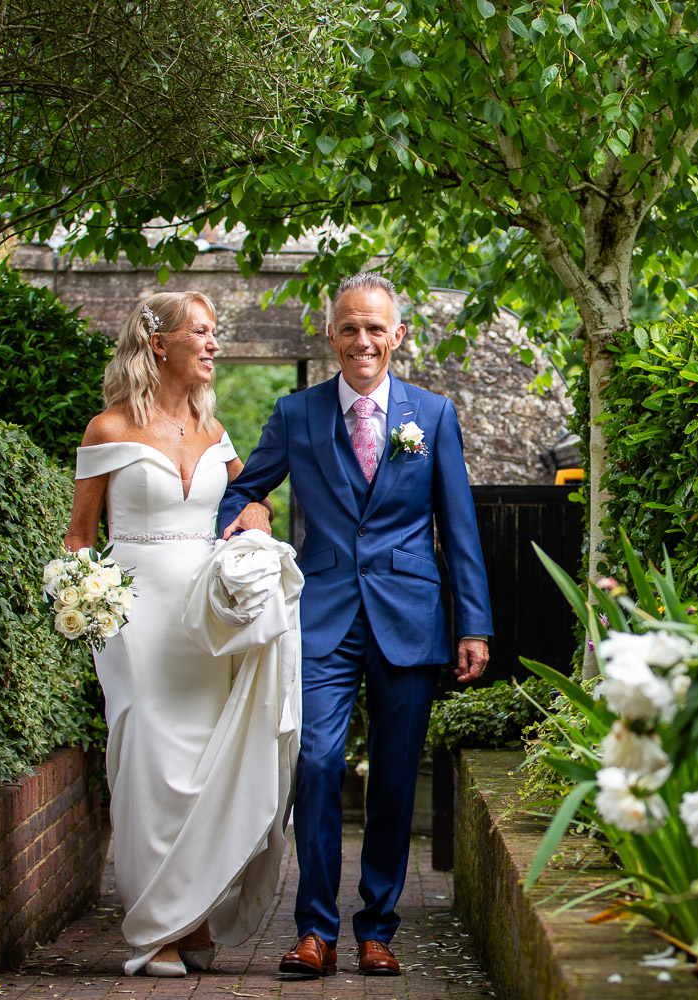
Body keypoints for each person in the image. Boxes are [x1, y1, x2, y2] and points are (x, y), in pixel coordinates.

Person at [217, 273, 493, 978]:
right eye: (349, 328)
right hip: (323, 615)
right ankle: (315, 930)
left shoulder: (432, 415)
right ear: (331, 335)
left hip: (410, 615)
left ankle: (377, 928)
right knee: (313, 765)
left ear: (398, 335)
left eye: (376, 328)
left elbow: (458, 527)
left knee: (397, 778)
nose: (362, 341)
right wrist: (253, 515)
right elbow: (243, 489)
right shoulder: (296, 413)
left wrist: (475, 626)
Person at [65, 291, 291, 977]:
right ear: (159, 343)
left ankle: (192, 920)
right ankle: (151, 931)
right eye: (201, 331)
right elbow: (79, 540)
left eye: (215, 331)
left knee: (201, 770)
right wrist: (88, 602)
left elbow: (245, 504)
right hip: (135, 619)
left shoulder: (214, 432)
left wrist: (256, 510)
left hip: (205, 620)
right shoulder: (106, 432)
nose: (213, 343)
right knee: (147, 766)